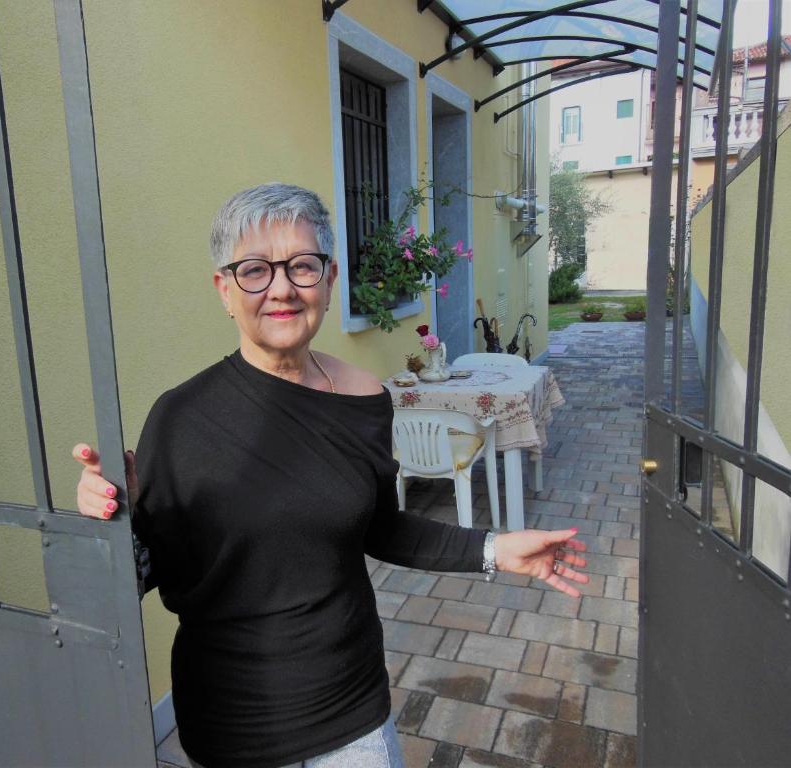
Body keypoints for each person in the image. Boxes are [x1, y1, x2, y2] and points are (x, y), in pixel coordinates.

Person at [73, 183, 588, 768]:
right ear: (224, 289)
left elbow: (382, 529)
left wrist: (495, 549)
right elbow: (148, 570)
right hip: (232, 722)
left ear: (330, 276)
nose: (282, 288)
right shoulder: (183, 417)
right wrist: (113, 518)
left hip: (350, 714)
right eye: (255, 270)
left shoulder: (365, 395)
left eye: (301, 266)